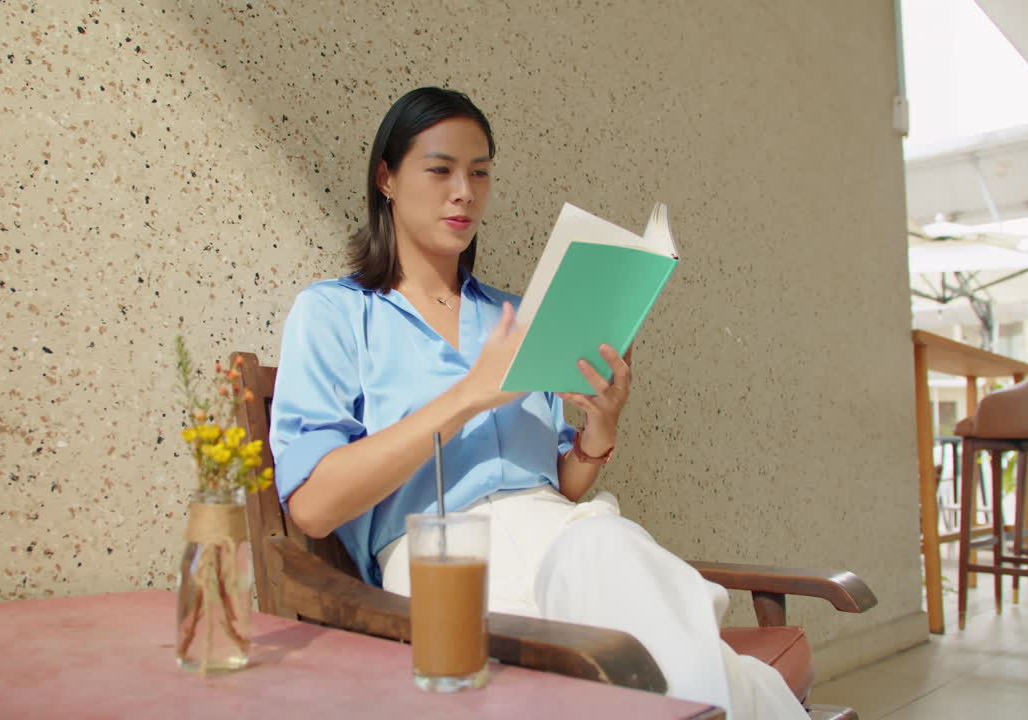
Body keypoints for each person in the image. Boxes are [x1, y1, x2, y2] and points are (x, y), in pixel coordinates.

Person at [269, 86, 807, 720]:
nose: (464, 192)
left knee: (610, 553)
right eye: (440, 170)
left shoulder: (518, 315)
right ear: (387, 178)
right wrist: (470, 396)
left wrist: (600, 427)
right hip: (445, 564)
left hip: (564, 535)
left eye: (480, 172)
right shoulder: (335, 313)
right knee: (647, 660)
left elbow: (559, 483)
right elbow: (313, 506)